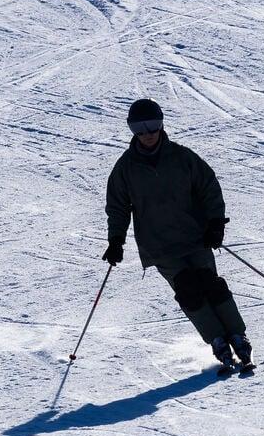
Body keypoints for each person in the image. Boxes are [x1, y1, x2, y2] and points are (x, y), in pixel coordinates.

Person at [102, 98, 254, 373]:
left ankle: (237, 336)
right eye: (140, 128)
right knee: (189, 291)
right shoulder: (125, 168)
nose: (148, 134)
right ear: (132, 130)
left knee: (211, 284)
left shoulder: (182, 157)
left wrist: (216, 223)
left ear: (161, 124)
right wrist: (116, 241)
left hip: (195, 237)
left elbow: (208, 186)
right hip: (159, 245)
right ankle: (217, 341)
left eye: (153, 126)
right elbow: (118, 206)